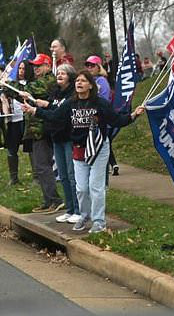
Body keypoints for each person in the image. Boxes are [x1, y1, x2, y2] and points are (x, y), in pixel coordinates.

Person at [22, 70, 145, 233]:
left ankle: (99, 221)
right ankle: (84, 215)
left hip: (99, 148)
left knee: (96, 187)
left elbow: (117, 120)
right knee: (81, 188)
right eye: (77, 81)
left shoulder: (100, 103)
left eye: (83, 81)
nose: (79, 83)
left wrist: (134, 115)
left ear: (90, 85)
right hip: (79, 149)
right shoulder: (70, 103)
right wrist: (34, 110)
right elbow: (54, 116)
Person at [26, 64, 80, 223]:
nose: (60, 75)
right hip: (57, 138)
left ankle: (78, 209)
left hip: (69, 138)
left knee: (72, 176)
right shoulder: (56, 93)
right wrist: (37, 102)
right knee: (63, 176)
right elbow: (51, 105)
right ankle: (69, 209)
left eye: (63, 73)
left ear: (70, 76)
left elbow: (58, 114)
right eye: (59, 73)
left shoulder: (72, 95)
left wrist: (36, 111)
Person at [21, 53, 63, 213]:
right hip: (37, 129)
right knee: (40, 166)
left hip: (43, 129)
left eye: (39, 66)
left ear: (47, 65)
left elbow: (26, 90)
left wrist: (7, 85)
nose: (36, 69)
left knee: (42, 165)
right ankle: (48, 200)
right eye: (34, 66)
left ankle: (54, 200)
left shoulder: (48, 81)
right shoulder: (39, 82)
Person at [2, 60, 34, 186]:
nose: (21, 71)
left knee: (31, 149)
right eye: (19, 68)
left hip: (26, 119)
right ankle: (13, 177)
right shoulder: (12, 84)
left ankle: (36, 176)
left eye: (23, 68)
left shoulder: (32, 84)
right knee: (11, 149)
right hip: (13, 119)